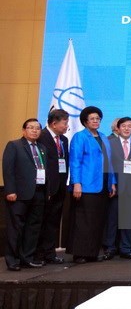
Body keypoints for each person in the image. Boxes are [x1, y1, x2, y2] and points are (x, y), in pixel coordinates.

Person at [67, 106, 116, 264]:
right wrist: (76, 183)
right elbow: (75, 161)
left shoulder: (103, 137)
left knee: (97, 220)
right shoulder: (80, 137)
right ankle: (80, 253)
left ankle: (92, 252)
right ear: (85, 122)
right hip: (86, 185)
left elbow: (110, 161)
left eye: (98, 119)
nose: (96, 121)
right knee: (84, 221)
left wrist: (113, 182)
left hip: (103, 184)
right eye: (92, 119)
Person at [2, 118, 47, 271]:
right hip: (19, 194)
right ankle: (12, 260)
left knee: (33, 228)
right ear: (24, 130)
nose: (35, 130)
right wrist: (10, 190)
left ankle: (27, 258)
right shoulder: (14, 145)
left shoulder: (42, 148)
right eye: (31, 127)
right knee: (16, 228)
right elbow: (8, 170)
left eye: (38, 128)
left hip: (39, 192)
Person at [35, 109, 69, 265]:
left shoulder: (63, 140)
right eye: (65, 122)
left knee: (53, 223)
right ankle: (38, 254)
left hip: (60, 187)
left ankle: (50, 253)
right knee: (41, 222)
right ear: (54, 123)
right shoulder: (41, 137)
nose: (67, 125)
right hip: (45, 188)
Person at [105, 117, 131, 260]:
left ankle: (126, 248)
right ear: (118, 128)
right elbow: (107, 165)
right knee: (112, 220)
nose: (127, 128)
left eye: (130, 126)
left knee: (127, 220)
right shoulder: (110, 143)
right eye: (124, 126)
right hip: (115, 186)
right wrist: (111, 182)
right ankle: (110, 248)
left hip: (130, 187)